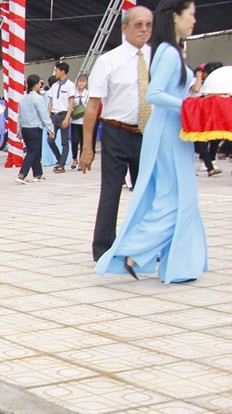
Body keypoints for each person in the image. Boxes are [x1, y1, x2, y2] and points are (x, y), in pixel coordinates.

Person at [96, 0, 206, 283]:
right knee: (177, 198)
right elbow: (154, 94)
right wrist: (188, 106)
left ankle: (173, 262)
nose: (194, 21)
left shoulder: (169, 51)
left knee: (177, 197)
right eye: (190, 15)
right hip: (167, 131)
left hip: (173, 129)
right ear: (175, 18)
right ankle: (133, 251)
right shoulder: (168, 53)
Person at [79, 5, 154, 261]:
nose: (143, 29)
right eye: (137, 24)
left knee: (148, 192)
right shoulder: (108, 61)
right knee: (111, 192)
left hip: (148, 134)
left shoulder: (158, 58)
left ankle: (146, 246)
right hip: (116, 133)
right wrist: (87, 148)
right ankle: (104, 250)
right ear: (124, 28)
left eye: (148, 24)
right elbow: (92, 107)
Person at [15, 75, 55, 184]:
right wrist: (50, 128)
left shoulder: (23, 99)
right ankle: (22, 174)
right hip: (34, 128)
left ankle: (38, 174)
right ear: (37, 84)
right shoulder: (38, 98)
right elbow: (44, 115)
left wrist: (19, 130)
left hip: (25, 128)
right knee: (32, 151)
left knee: (34, 150)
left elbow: (19, 116)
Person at [46, 61, 75, 172]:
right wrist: (48, 116)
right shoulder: (54, 85)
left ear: (63, 71)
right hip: (54, 116)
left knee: (64, 141)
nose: (55, 73)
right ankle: (59, 160)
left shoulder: (70, 85)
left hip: (63, 115)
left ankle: (61, 165)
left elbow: (71, 102)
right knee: (50, 140)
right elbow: (51, 102)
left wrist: (67, 118)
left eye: (56, 70)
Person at [69, 74, 90, 170]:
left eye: (83, 81)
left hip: (85, 121)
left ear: (86, 83)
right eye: (80, 81)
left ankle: (81, 161)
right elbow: (70, 104)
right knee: (74, 141)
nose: (81, 83)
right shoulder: (73, 93)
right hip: (75, 121)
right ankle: (74, 158)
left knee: (83, 142)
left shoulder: (88, 94)